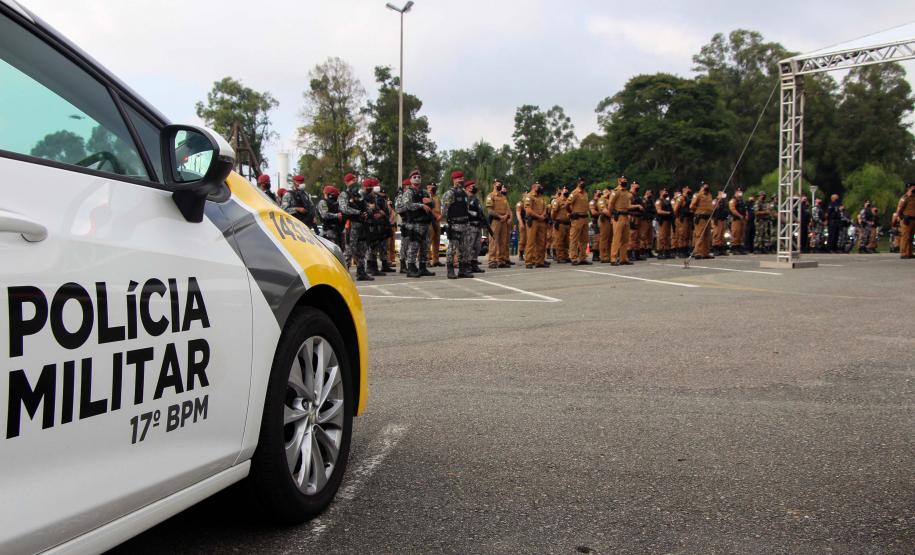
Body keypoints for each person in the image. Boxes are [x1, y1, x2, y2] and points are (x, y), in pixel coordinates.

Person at [395, 170, 435, 278]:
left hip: (425, 223)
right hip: (414, 224)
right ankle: (411, 268)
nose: (417, 178)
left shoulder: (424, 192)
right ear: (411, 179)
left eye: (419, 176)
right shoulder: (408, 192)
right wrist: (421, 205)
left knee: (425, 246)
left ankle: (423, 267)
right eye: (414, 177)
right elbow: (407, 205)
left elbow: (433, 204)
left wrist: (430, 202)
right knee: (413, 246)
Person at [338, 172, 372, 281]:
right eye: (353, 180)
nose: (355, 182)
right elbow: (344, 208)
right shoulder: (344, 194)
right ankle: (344, 273)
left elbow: (367, 206)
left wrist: (367, 212)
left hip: (362, 224)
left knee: (362, 250)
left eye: (355, 180)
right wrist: (358, 212)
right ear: (347, 182)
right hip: (351, 225)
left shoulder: (359, 194)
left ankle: (361, 272)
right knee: (349, 250)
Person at [441, 171, 475, 279]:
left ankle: (463, 270)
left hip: (465, 224)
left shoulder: (465, 193)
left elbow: (466, 209)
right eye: (458, 179)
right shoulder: (449, 193)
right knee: (452, 248)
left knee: (465, 249)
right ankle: (450, 270)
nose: (461, 180)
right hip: (454, 225)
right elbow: (444, 211)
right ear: (454, 180)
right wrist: (448, 221)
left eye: (462, 178)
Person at [363, 178, 392, 276]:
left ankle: (372, 267)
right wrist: (378, 212)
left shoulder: (373, 197)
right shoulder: (365, 197)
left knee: (374, 246)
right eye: (376, 185)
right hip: (370, 224)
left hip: (376, 224)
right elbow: (370, 209)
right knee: (372, 247)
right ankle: (372, 267)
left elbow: (377, 209)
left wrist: (380, 212)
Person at [485, 179, 511, 268]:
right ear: (493, 185)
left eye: (500, 184)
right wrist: (500, 216)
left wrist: (506, 216)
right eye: (497, 184)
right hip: (495, 221)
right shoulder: (490, 196)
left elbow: (507, 209)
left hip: (503, 221)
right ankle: (492, 261)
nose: (499, 186)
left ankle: (501, 260)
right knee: (493, 241)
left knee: (503, 241)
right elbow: (490, 211)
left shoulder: (503, 197)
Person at [523, 181, 549, 268]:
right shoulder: (529, 196)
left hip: (541, 221)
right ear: (533, 187)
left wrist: (543, 215)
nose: (540, 187)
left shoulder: (541, 197)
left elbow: (545, 207)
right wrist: (539, 216)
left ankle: (540, 261)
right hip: (533, 221)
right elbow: (528, 210)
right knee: (531, 242)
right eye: (539, 186)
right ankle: (529, 262)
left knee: (541, 242)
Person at [607, 176, 633, 265]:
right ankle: (613, 258)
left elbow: (628, 205)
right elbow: (610, 205)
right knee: (617, 238)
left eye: (625, 180)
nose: (624, 181)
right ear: (618, 181)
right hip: (618, 216)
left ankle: (623, 258)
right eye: (622, 180)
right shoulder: (616, 192)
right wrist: (611, 215)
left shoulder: (627, 192)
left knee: (625, 239)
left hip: (626, 216)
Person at [567, 178, 592, 265]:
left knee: (584, 240)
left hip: (585, 218)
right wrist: (571, 213)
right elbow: (567, 204)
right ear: (578, 183)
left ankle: (582, 257)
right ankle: (573, 258)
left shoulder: (585, 193)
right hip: (577, 218)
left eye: (584, 181)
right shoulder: (574, 193)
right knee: (574, 239)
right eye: (581, 182)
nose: (583, 183)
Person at [466, 180, 486, 273]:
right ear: (467, 187)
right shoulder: (466, 197)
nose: (474, 187)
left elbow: (480, 211)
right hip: (470, 225)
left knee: (477, 246)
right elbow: (465, 210)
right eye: (472, 186)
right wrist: (474, 214)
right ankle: (468, 264)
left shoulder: (476, 198)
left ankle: (474, 263)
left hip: (477, 225)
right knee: (470, 246)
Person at [690, 181, 714, 259]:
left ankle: (705, 252)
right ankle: (698, 252)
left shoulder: (709, 195)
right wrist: (698, 212)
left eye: (707, 185)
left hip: (708, 218)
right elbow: (692, 206)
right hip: (701, 218)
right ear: (701, 186)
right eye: (704, 185)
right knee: (700, 235)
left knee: (707, 236)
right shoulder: (697, 195)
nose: (706, 186)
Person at [550, 185, 572, 263]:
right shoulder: (557, 201)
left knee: (567, 241)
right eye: (564, 190)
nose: (566, 191)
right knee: (559, 241)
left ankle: (566, 256)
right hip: (560, 223)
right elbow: (553, 213)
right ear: (562, 192)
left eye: (567, 190)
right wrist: (555, 220)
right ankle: (560, 257)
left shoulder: (569, 201)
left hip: (567, 223)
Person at [896, 182, 915, 259]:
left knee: (911, 237)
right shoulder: (905, 197)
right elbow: (899, 209)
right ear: (908, 188)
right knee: (905, 237)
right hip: (907, 219)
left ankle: (909, 252)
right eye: (912, 188)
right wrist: (902, 218)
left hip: (913, 219)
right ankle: (903, 253)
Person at [655, 188, 674, 259]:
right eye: (664, 192)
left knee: (667, 237)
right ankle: (660, 252)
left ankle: (667, 252)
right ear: (661, 192)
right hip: (662, 221)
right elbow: (659, 211)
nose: (666, 193)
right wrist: (668, 213)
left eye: (667, 192)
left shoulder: (667, 201)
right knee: (662, 237)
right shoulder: (658, 201)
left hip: (668, 221)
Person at [675, 186, 694, 258]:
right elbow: (676, 209)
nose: (690, 190)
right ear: (684, 190)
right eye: (688, 189)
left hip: (688, 218)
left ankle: (685, 250)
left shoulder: (688, 198)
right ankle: (681, 251)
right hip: (682, 218)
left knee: (687, 235)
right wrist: (679, 217)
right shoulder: (681, 198)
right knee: (682, 235)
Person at [728, 188, 748, 255]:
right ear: (735, 193)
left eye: (740, 192)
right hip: (736, 219)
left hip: (742, 219)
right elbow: (733, 210)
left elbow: (745, 209)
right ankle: (734, 248)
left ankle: (740, 247)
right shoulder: (733, 200)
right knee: (736, 233)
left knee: (741, 234)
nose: (740, 193)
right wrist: (739, 215)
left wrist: (746, 216)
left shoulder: (742, 201)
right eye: (738, 192)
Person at [427, 183, 443, 267]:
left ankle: (436, 260)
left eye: (433, 187)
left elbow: (440, 208)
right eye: (430, 187)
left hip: (438, 220)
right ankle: (427, 259)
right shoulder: (427, 197)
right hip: (430, 220)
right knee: (428, 241)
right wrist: (436, 216)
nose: (432, 188)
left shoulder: (437, 197)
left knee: (437, 241)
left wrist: (441, 216)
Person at [627, 181, 644, 261]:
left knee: (638, 236)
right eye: (636, 185)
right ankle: (630, 254)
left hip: (638, 217)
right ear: (632, 185)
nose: (638, 187)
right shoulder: (629, 195)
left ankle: (637, 254)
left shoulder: (637, 196)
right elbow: (627, 206)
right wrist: (637, 206)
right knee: (632, 236)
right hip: (632, 217)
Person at [597, 184, 614, 263]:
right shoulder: (602, 199)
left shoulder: (611, 199)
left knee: (611, 238)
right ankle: (604, 256)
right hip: (605, 220)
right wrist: (612, 216)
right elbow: (604, 210)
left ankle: (610, 255)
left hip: (611, 220)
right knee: (604, 239)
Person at [711, 190, 729, 256]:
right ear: (719, 193)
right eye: (722, 193)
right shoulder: (715, 201)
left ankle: (722, 248)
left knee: (722, 235)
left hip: (723, 219)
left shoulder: (725, 201)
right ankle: (716, 248)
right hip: (717, 219)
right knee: (717, 234)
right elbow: (713, 209)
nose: (723, 194)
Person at [640, 189, 656, 258]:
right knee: (643, 235)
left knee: (650, 236)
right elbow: (643, 208)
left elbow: (654, 209)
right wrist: (645, 199)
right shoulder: (642, 199)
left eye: (651, 193)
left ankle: (649, 250)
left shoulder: (651, 201)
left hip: (650, 219)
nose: (650, 194)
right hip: (644, 220)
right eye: (648, 193)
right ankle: (642, 251)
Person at [515, 198, 527, 262]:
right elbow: (518, 214)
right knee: (522, 239)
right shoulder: (520, 204)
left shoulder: (528, 203)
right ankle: (520, 255)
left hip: (528, 223)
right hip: (522, 223)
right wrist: (521, 223)